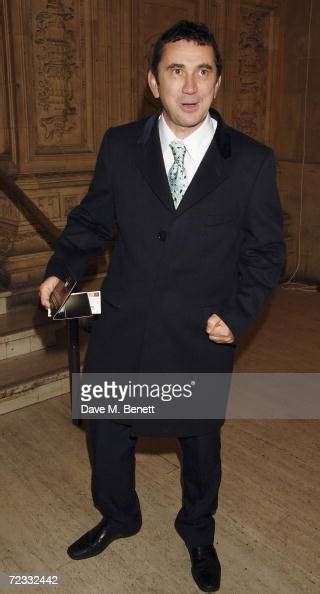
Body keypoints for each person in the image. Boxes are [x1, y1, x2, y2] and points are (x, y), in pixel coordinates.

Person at [39, 20, 285, 592]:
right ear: (154, 81)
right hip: (123, 325)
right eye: (177, 70)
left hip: (197, 335)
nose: (190, 85)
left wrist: (240, 312)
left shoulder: (251, 161)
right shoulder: (121, 145)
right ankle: (119, 517)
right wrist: (61, 268)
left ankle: (198, 532)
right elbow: (93, 218)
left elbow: (266, 251)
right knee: (107, 432)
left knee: (198, 445)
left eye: (203, 71)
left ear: (219, 83)